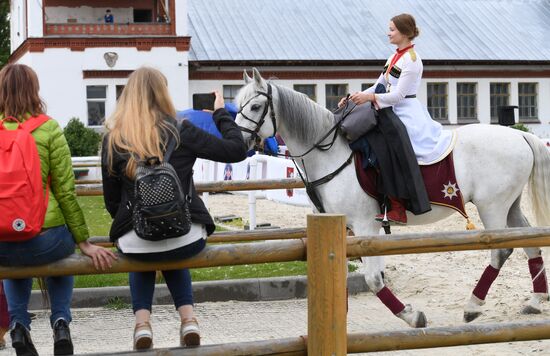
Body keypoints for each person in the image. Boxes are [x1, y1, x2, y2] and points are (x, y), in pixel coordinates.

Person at [101, 67, 247, 350]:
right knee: (170, 244)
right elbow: (236, 150)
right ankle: (189, 319)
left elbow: (111, 201)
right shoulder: (182, 130)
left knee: (145, 247)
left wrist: (137, 224)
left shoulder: (113, 139)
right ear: (162, 94)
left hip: (135, 241)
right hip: (187, 236)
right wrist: (219, 113)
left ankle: (142, 325)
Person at [0, 64, 117, 356]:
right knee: (61, 249)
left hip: (1, 241)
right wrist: (84, 242)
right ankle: (61, 320)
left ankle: (17, 324)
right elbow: (66, 191)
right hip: (45, 238)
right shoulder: (49, 128)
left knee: (14, 257)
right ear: (34, 90)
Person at [339, 13, 452, 224]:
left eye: (392, 29)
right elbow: (379, 84)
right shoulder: (393, 57)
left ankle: (398, 205)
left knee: (388, 148)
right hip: (387, 106)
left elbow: (399, 95)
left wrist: (370, 97)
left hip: (405, 110)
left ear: (405, 32)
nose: (388, 33)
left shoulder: (412, 61)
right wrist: (355, 98)